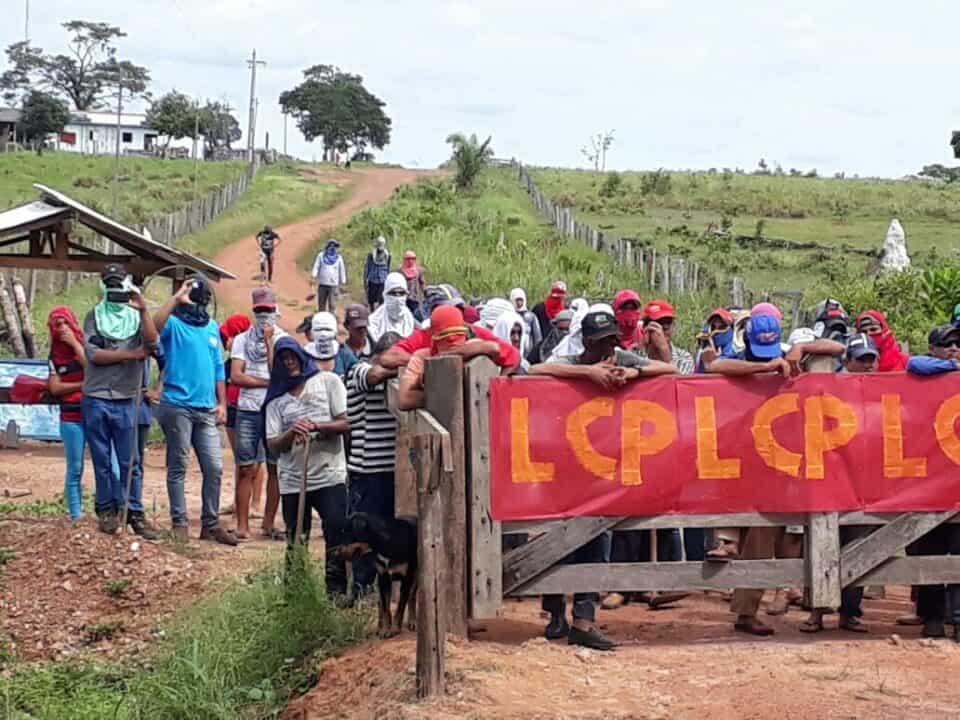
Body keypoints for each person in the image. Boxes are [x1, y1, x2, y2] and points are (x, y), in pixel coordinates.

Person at [529, 308, 677, 649]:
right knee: (558, 540)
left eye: (611, 341)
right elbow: (535, 370)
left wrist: (633, 372)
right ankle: (554, 613)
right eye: (599, 344)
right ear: (586, 343)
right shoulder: (570, 358)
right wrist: (586, 374)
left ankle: (584, 619)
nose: (606, 350)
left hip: (605, 466)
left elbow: (669, 369)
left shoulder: (622, 357)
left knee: (599, 539)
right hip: (564, 464)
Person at [702, 312, 793, 636]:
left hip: (774, 462)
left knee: (764, 538)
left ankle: (747, 609)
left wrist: (793, 355)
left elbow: (824, 348)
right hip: (736, 459)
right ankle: (727, 549)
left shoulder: (788, 357)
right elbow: (715, 366)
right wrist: (765, 367)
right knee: (738, 528)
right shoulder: (739, 359)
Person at [800, 333, 881, 634]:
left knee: (860, 541)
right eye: (862, 359)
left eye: (872, 359)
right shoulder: (826, 385)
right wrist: (802, 347)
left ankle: (850, 612)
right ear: (846, 362)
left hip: (864, 477)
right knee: (820, 542)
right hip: (826, 472)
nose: (868, 365)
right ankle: (817, 611)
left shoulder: (883, 389)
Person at [154, 278, 236, 545]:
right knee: (178, 465)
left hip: (206, 408)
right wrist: (176, 299)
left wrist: (222, 403)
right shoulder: (174, 325)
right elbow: (153, 328)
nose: (198, 307)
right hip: (177, 404)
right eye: (195, 301)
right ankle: (179, 523)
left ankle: (210, 524)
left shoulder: (211, 327)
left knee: (214, 467)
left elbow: (217, 368)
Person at [265, 338, 349, 597]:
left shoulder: (328, 382)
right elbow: (272, 444)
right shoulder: (276, 400)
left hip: (329, 474)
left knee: (335, 532)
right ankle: (295, 594)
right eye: (283, 358)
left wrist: (318, 426)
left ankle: (335, 593)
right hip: (293, 479)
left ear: (302, 357)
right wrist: (291, 433)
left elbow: (347, 423)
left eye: (292, 356)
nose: (289, 362)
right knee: (296, 538)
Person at [82, 264, 160, 538]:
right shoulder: (94, 317)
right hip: (97, 397)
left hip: (127, 399)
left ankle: (134, 512)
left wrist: (143, 309)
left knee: (131, 461)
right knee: (102, 459)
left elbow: (152, 344)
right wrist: (130, 355)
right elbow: (94, 355)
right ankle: (106, 509)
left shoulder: (135, 317)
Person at [906, 324, 960, 639]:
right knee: (930, 548)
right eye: (948, 344)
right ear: (934, 348)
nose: (954, 348)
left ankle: (957, 616)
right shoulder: (927, 371)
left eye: (958, 345)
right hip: (929, 477)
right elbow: (914, 364)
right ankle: (932, 618)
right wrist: (953, 367)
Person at [345, 332, 402, 590]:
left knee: (389, 535)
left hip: (393, 470)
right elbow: (374, 377)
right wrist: (405, 366)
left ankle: (383, 590)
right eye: (394, 356)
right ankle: (361, 591)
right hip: (367, 471)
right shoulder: (359, 369)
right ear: (380, 355)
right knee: (365, 534)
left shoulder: (398, 377)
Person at [231, 287, 286, 541]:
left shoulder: (283, 340)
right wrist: (266, 383)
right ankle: (243, 524)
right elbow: (236, 376)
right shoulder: (242, 340)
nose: (264, 316)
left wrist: (268, 341)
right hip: (248, 411)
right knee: (246, 467)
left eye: (268, 311)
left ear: (275, 311)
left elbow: (279, 374)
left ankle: (268, 521)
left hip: (274, 412)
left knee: (275, 468)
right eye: (260, 311)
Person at [48, 306, 109, 521]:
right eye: (57, 325)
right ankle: (76, 515)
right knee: (75, 466)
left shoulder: (85, 344)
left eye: (66, 323)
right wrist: (82, 385)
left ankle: (109, 510)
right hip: (70, 417)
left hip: (94, 413)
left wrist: (74, 343)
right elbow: (55, 388)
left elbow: (91, 367)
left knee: (107, 463)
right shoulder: (54, 354)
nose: (62, 328)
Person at [397, 305, 520, 410]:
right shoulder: (421, 357)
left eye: (456, 337)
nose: (451, 342)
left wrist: (497, 388)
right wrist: (444, 397)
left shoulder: (473, 348)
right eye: (446, 339)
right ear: (433, 337)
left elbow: (502, 352)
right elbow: (404, 400)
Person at [220, 314, 252, 514]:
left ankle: (254, 503)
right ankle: (239, 502)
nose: (226, 343)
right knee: (240, 458)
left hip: (247, 408)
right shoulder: (229, 362)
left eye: (228, 338)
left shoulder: (251, 358)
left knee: (253, 461)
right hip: (232, 407)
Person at [636, 299, 694, 375]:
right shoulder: (632, 354)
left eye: (667, 322)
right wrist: (643, 350)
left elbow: (680, 384)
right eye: (657, 323)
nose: (663, 328)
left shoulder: (684, 357)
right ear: (645, 328)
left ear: (674, 326)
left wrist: (664, 350)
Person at [304, 311, 358, 379]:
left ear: (335, 332)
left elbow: (358, 372)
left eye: (327, 329)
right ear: (312, 331)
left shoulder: (343, 353)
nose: (323, 334)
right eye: (319, 329)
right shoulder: (304, 355)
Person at [368, 272, 417, 343]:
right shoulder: (374, 323)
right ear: (385, 295)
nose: (397, 298)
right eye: (393, 293)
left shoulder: (409, 320)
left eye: (401, 293)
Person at [311, 238, 347, 312]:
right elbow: (316, 266)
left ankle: (332, 319)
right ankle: (321, 320)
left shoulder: (339, 258)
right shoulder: (321, 255)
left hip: (333, 285)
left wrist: (343, 281)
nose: (332, 247)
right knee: (321, 305)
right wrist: (313, 276)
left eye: (334, 246)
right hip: (322, 284)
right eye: (330, 245)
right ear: (327, 246)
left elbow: (342, 270)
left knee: (332, 305)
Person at [509, 288, 543, 358]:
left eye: (521, 300)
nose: (519, 303)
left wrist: (535, 353)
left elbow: (537, 337)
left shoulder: (531, 317)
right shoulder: (508, 316)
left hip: (528, 352)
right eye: (517, 300)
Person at [363, 235, 391, 310]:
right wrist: (365, 279)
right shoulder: (371, 255)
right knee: (371, 299)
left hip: (382, 280)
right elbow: (367, 267)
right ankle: (372, 311)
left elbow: (388, 268)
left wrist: (388, 279)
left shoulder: (387, 255)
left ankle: (380, 312)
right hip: (373, 279)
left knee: (381, 299)